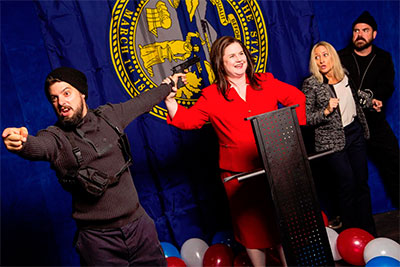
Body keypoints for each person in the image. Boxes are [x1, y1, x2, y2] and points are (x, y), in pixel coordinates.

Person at [2, 67, 184, 266]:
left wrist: (168, 85)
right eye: (54, 98)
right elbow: (39, 146)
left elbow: (142, 102)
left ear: (82, 93)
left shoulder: (110, 116)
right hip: (98, 243)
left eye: (66, 93)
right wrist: (21, 144)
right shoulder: (56, 138)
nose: (61, 102)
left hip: (140, 230)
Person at [164, 36, 306, 266]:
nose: (239, 59)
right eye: (232, 55)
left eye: (241, 53)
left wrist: (290, 139)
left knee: (280, 224)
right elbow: (189, 121)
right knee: (251, 228)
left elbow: (297, 99)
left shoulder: (265, 81)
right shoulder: (211, 95)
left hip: (273, 167)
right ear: (220, 63)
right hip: (237, 175)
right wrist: (171, 100)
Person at [302, 41, 377, 235]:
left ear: (332, 56)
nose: (321, 60)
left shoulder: (345, 75)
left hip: (355, 133)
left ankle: (369, 232)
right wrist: (326, 110)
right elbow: (306, 118)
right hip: (331, 141)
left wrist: (371, 101)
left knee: (361, 183)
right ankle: (351, 235)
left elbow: (355, 96)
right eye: (316, 57)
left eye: (325, 55)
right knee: (347, 185)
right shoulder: (311, 84)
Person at [339, 11, 399, 209]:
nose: (359, 34)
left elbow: (387, 85)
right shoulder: (341, 57)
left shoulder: (383, 57)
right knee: (349, 173)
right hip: (349, 124)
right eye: (356, 30)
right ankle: (349, 215)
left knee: (394, 162)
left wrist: (378, 98)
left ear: (374, 34)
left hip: (374, 121)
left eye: (365, 30)